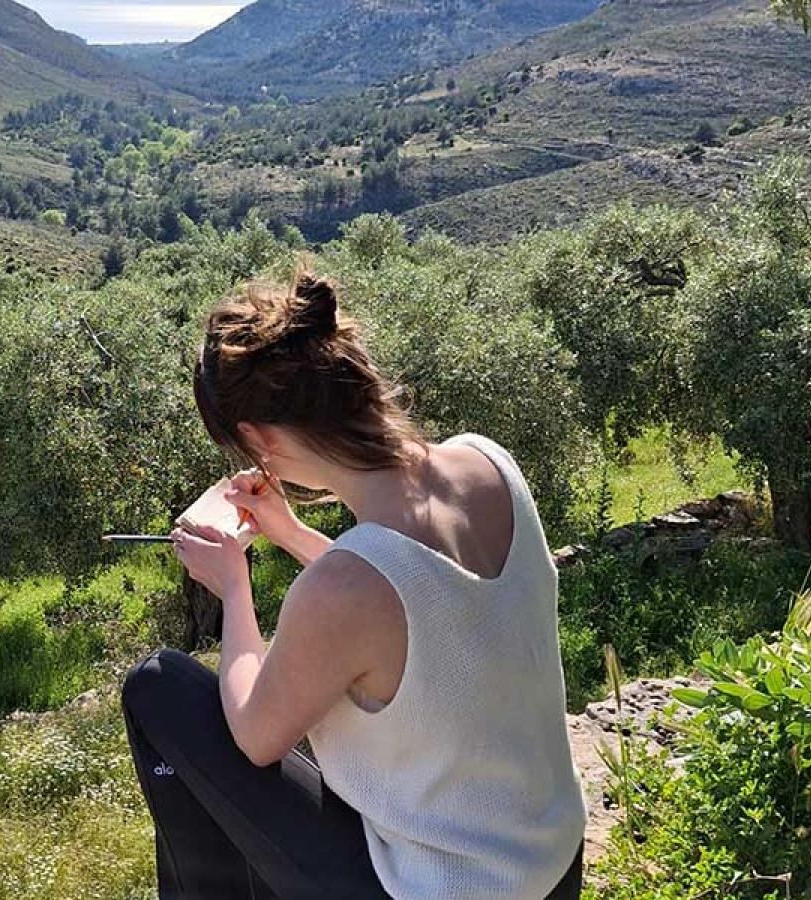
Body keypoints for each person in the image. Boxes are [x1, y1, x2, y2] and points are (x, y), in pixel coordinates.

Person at [120, 267, 587, 899]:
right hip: (551, 862)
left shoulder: (344, 587)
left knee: (158, 688)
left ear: (259, 440)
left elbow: (256, 738)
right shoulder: (488, 463)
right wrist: (287, 532)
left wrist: (233, 588)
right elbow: (419, 604)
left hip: (446, 887)